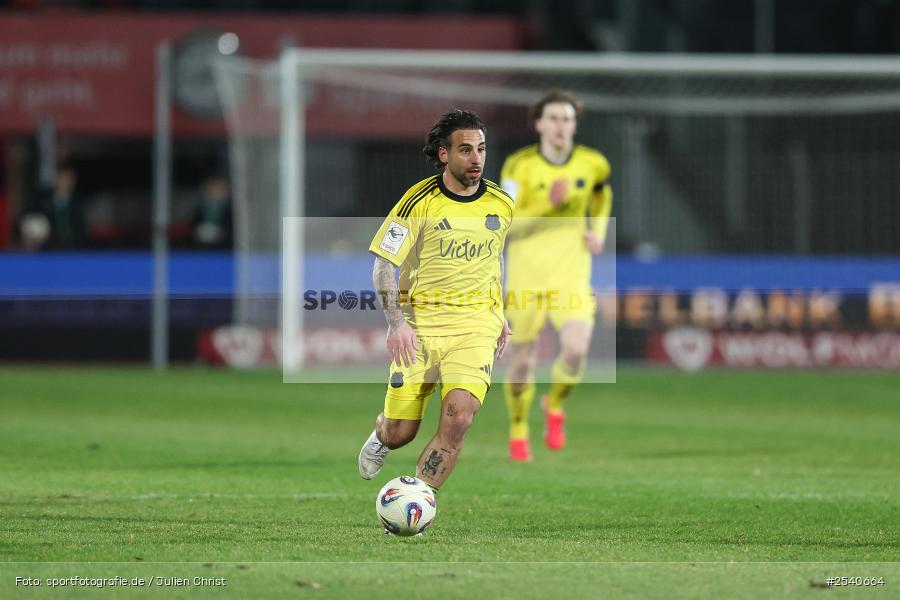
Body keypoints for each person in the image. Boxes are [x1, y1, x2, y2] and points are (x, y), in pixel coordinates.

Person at [358, 109, 514, 494]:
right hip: (421, 327)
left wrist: (501, 315)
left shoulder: (502, 204)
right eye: (465, 150)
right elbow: (383, 268)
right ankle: (382, 435)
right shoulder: (417, 203)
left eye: (481, 149)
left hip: (476, 327)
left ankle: (419, 500)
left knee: (459, 419)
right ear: (444, 154)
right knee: (401, 433)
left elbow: (492, 262)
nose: (476, 158)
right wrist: (397, 323)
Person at [500, 90, 613, 462]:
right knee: (520, 364)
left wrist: (597, 230)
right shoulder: (519, 167)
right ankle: (518, 428)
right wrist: (550, 205)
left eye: (567, 119)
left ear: (575, 124)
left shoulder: (592, 163)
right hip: (526, 275)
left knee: (578, 351)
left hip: (570, 273)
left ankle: (555, 402)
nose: (560, 125)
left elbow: (601, 194)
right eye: (553, 118)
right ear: (538, 124)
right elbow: (506, 225)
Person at [191, 172, 233, 249]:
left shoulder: (231, 211)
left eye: (219, 189)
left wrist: (221, 234)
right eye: (212, 189)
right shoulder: (199, 210)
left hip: (225, 251)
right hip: (202, 250)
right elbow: (192, 228)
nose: (215, 192)